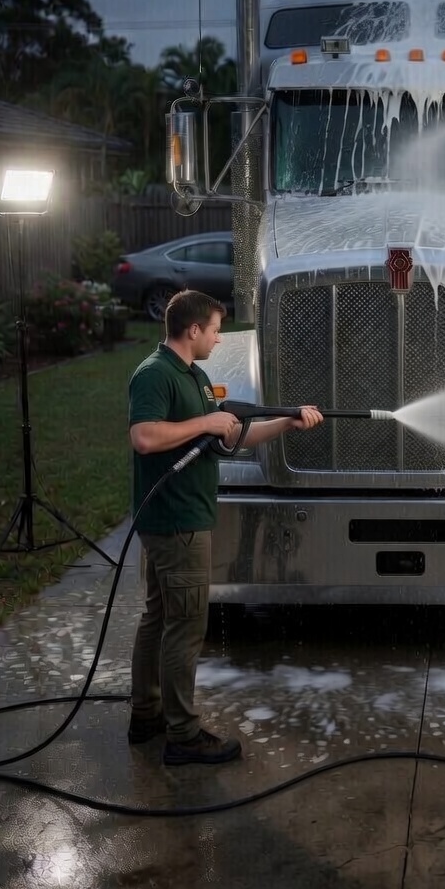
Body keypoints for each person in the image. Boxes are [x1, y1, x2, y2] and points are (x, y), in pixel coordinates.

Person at [127, 289, 323, 765]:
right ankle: (183, 735)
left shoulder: (192, 375)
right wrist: (205, 423)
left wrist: (285, 421)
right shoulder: (155, 374)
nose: (218, 338)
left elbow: (229, 435)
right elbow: (145, 437)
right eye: (215, 329)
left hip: (177, 519)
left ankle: (147, 714)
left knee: (158, 617)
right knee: (184, 627)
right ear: (192, 330)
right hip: (177, 524)